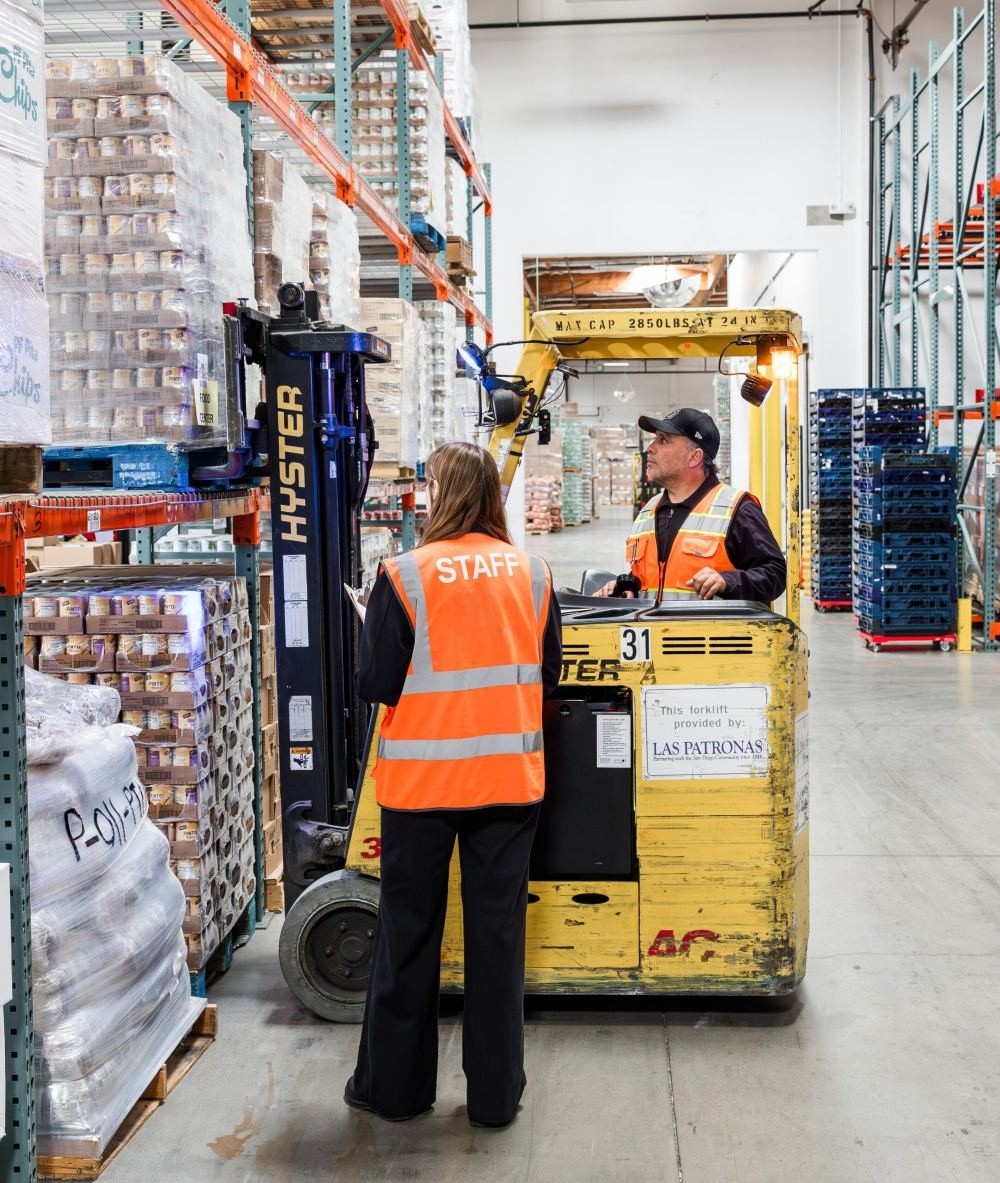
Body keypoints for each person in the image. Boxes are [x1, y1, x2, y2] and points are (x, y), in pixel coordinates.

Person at [345, 441, 563, 1130]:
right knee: (497, 942)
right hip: (507, 782)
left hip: (423, 787)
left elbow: (377, 682)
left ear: (446, 494)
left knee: (409, 936)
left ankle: (397, 1091)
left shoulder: (404, 575)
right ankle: (496, 1098)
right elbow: (548, 673)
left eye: (430, 485)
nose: (425, 496)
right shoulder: (532, 572)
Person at [594, 407, 786, 603]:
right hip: (655, 632)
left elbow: (775, 574)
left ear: (694, 457)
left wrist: (728, 581)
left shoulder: (736, 509)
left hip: (708, 633)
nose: (650, 448)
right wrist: (629, 586)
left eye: (663, 440)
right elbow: (656, 576)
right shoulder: (649, 510)